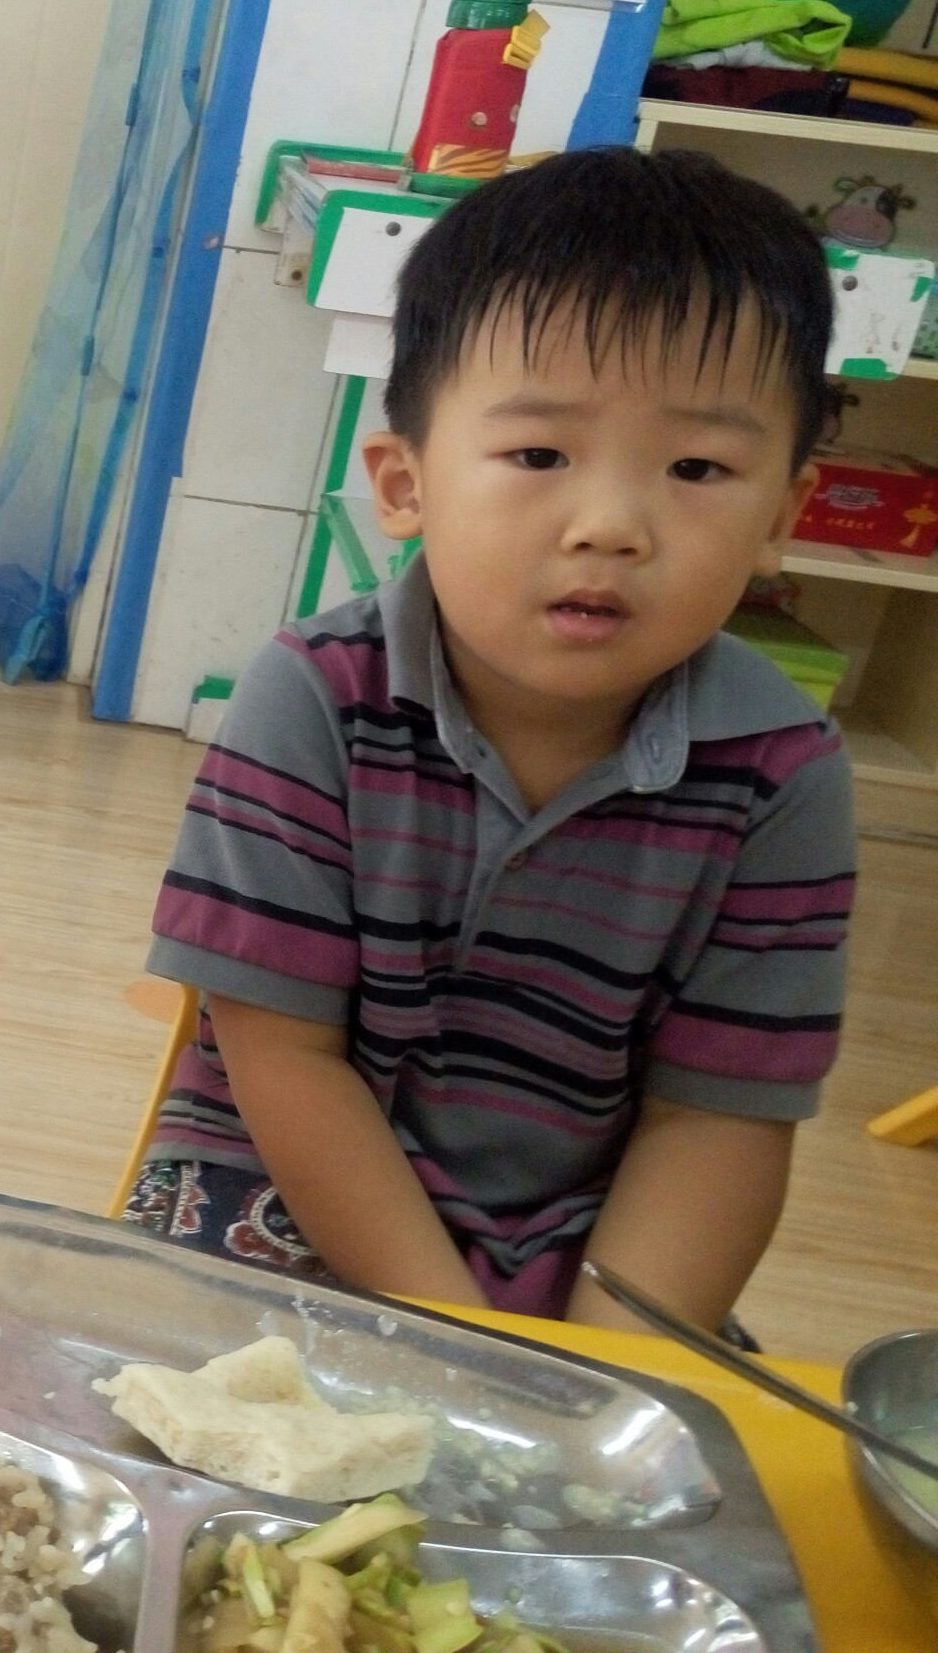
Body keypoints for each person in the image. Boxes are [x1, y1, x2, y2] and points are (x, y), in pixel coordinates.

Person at [126, 148, 855, 1334]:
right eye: (537, 456)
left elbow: (714, 1119)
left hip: (583, 1233)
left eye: (695, 468)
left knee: (664, 1437)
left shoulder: (782, 773)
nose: (609, 526)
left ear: (780, 514)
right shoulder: (315, 696)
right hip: (280, 1185)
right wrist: (456, 1343)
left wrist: (592, 1369)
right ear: (403, 485)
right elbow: (283, 1058)